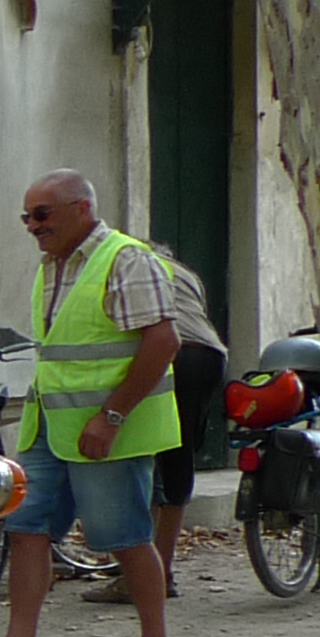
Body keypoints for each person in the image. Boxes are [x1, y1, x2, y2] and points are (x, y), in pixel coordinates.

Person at [0, 173, 184, 637]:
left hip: (107, 432)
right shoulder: (53, 264)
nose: (33, 226)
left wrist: (112, 417)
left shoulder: (125, 259)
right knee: (25, 526)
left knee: (124, 538)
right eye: (27, 216)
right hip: (50, 427)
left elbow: (163, 342)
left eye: (43, 214)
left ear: (82, 209)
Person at [101, 240, 224, 603]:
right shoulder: (187, 275)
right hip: (208, 355)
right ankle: (160, 567)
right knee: (178, 454)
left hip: (170, 354)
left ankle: (145, 575)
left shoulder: (124, 267)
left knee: (142, 454)